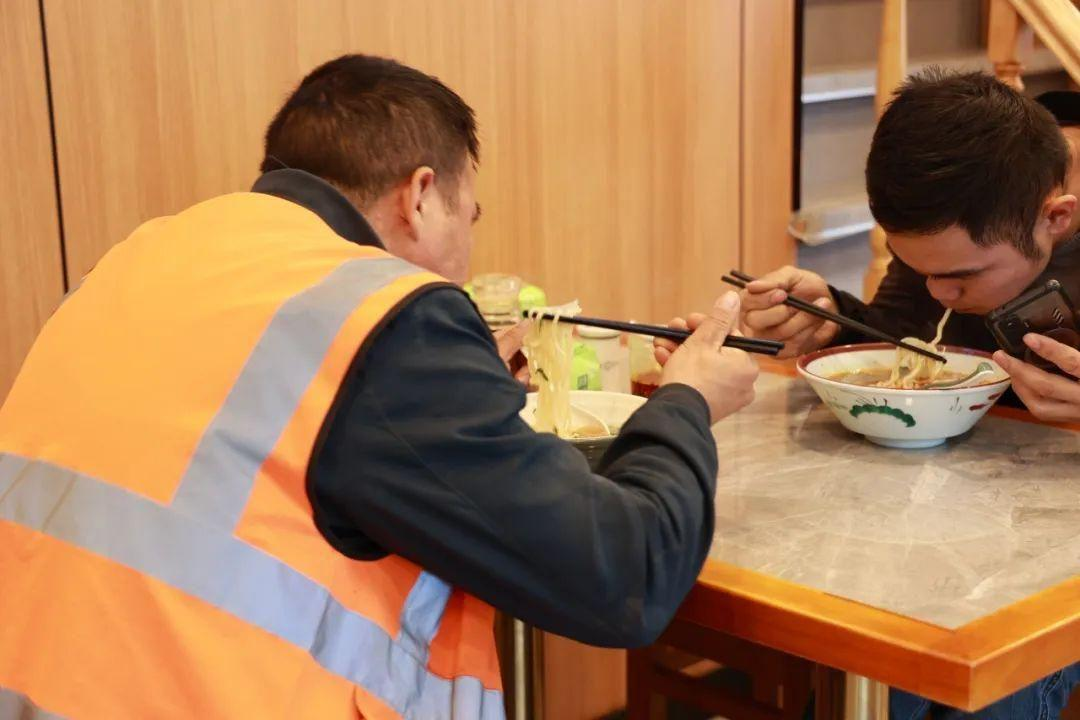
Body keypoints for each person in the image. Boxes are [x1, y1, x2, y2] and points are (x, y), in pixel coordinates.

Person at [0, 54, 758, 719]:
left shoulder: (144, 256)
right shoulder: (384, 316)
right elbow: (628, 576)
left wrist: (462, 391)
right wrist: (686, 396)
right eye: (470, 214)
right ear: (420, 194)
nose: (468, 246)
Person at [740, 69, 1080, 719]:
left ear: (1056, 218)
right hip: (954, 505)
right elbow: (904, 339)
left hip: (1056, 542)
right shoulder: (960, 184)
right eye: (919, 268)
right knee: (883, 642)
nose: (938, 294)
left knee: (987, 679)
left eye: (959, 278)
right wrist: (830, 318)